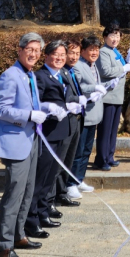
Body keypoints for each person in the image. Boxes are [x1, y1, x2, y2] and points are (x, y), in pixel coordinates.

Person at [0, 32, 53, 257]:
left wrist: (43, 109)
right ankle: (4, 247)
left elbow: (31, 104)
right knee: (13, 195)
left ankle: (19, 236)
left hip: (31, 140)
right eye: (29, 49)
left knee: (28, 192)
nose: (33, 54)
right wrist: (28, 115)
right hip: (16, 143)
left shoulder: (28, 75)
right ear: (19, 50)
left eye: (37, 51)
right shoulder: (10, 75)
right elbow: (2, 110)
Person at [24, 40, 76, 238]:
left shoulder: (63, 74)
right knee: (40, 177)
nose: (60, 58)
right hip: (47, 134)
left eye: (63, 55)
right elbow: (35, 102)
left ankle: (43, 213)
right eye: (56, 54)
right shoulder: (40, 77)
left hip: (63, 131)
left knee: (51, 177)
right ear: (46, 56)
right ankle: (31, 220)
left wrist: (74, 104)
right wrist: (49, 108)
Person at [69, 35, 113, 196]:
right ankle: (70, 183)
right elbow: (79, 86)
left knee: (86, 150)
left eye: (96, 49)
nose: (94, 52)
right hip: (84, 115)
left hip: (94, 115)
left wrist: (106, 85)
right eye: (91, 49)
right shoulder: (78, 66)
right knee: (78, 151)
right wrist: (95, 87)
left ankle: (79, 179)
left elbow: (97, 85)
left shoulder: (93, 65)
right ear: (83, 51)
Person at [93, 23, 130, 171]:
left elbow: (121, 72)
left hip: (117, 97)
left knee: (113, 130)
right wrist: (123, 68)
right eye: (112, 35)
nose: (115, 38)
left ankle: (109, 156)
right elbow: (106, 71)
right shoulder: (104, 52)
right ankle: (101, 159)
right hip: (108, 97)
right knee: (105, 130)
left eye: (117, 35)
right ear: (105, 37)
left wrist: (127, 61)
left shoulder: (115, 52)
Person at [56, 37, 86, 206]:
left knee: (69, 158)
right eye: (70, 53)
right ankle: (56, 194)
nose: (74, 57)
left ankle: (62, 192)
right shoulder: (61, 72)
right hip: (65, 121)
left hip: (75, 120)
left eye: (76, 53)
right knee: (60, 160)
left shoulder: (70, 71)